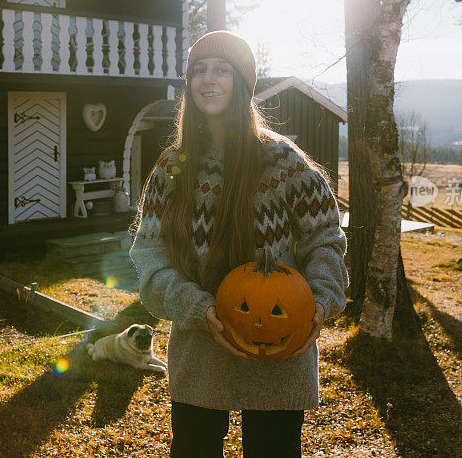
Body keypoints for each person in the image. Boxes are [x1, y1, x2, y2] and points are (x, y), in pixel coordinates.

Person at [129, 31, 348, 458]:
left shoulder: (285, 163)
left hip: (279, 348)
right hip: (198, 345)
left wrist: (320, 299)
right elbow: (149, 255)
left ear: (244, 83)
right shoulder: (172, 168)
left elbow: (325, 241)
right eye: (199, 70)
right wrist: (197, 307)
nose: (208, 80)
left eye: (222, 70)